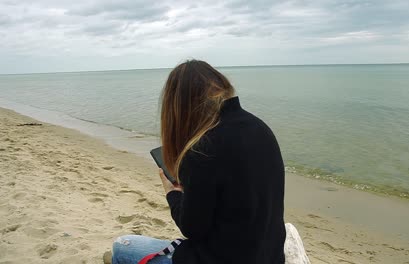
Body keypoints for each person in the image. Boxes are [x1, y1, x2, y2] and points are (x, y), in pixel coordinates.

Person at [112, 60, 286, 264]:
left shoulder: (201, 150)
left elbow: (192, 229)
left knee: (122, 246)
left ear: (178, 105)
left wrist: (172, 192)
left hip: (223, 258)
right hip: (269, 256)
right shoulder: (260, 128)